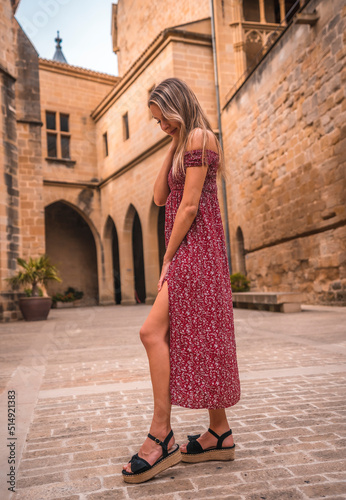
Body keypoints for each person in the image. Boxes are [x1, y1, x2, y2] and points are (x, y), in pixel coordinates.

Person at [122, 77, 241, 484]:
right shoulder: (185, 141)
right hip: (193, 251)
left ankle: (162, 434)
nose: (161, 127)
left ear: (178, 106)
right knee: (201, 334)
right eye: (158, 123)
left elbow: (188, 207)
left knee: (151, 331)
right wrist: (172, 139)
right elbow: (159, 197)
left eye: (163, 120)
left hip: (196, 250)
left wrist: (168, 258)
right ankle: (219, 432)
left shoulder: (202, 137)